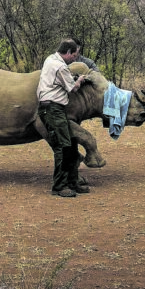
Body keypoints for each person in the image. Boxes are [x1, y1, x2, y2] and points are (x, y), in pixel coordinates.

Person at [37, 39, 92, 198]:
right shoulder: (61, 67)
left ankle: (73, 182)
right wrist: (80, 80)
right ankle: (59, 186)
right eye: (74, 55)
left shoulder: (50, 59)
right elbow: (72, 88)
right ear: (68, 52)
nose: (75, 58)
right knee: (63, 146)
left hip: (51, 108)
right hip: (53, 109)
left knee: (71, 143)